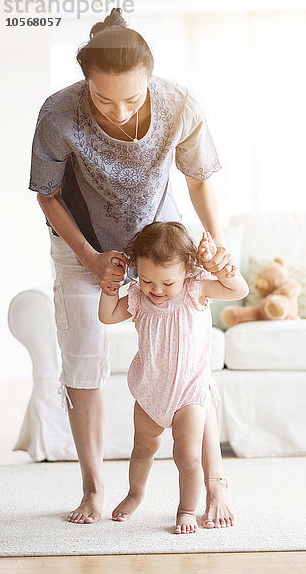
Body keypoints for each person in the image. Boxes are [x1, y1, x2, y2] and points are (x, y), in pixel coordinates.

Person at [29, 7, 236, 527]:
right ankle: (95, 489)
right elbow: (49, 196)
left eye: (132, 97)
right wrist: (92, 259)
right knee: (83, 356)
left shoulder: (178, 104)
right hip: (83, 240)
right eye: (103, 98)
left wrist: (215, 244)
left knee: (191, 363)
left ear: (151, 78)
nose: (119, 112)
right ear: (85, 84)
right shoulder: (58, 114)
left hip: (160, 242)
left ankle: (215, 488)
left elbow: (199, 180)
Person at [98, 222, 249, 533]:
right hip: (150, 391)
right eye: (147, 279)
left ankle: (186, 510)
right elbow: (108, 316)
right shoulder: (139, 297)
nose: (156, 289)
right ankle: (134, 494)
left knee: (188, 456)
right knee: (142, 448)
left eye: (167, 282)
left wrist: (218, 265)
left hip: (188, 394)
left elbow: (238, 290)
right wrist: (110, 290)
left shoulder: (196, 289)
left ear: (186, 271)